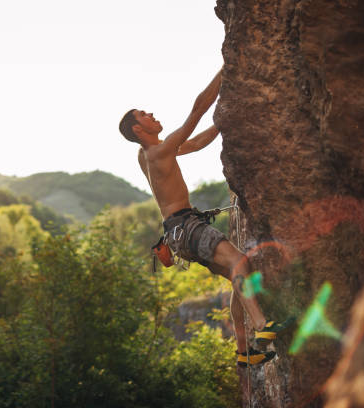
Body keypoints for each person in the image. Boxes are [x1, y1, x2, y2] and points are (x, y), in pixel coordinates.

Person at [118, 69, 291, 367]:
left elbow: (195, 143)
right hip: (186, 227)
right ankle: (263, 328)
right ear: (137, 129)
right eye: (144, 114)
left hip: (179, 234)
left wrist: (222, 124)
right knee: (240, 263)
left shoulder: (148, 154)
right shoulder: (158, 152)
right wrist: (226, 70)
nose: (151, 114)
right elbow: (197, 109)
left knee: (236, 277)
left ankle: (243, 352)